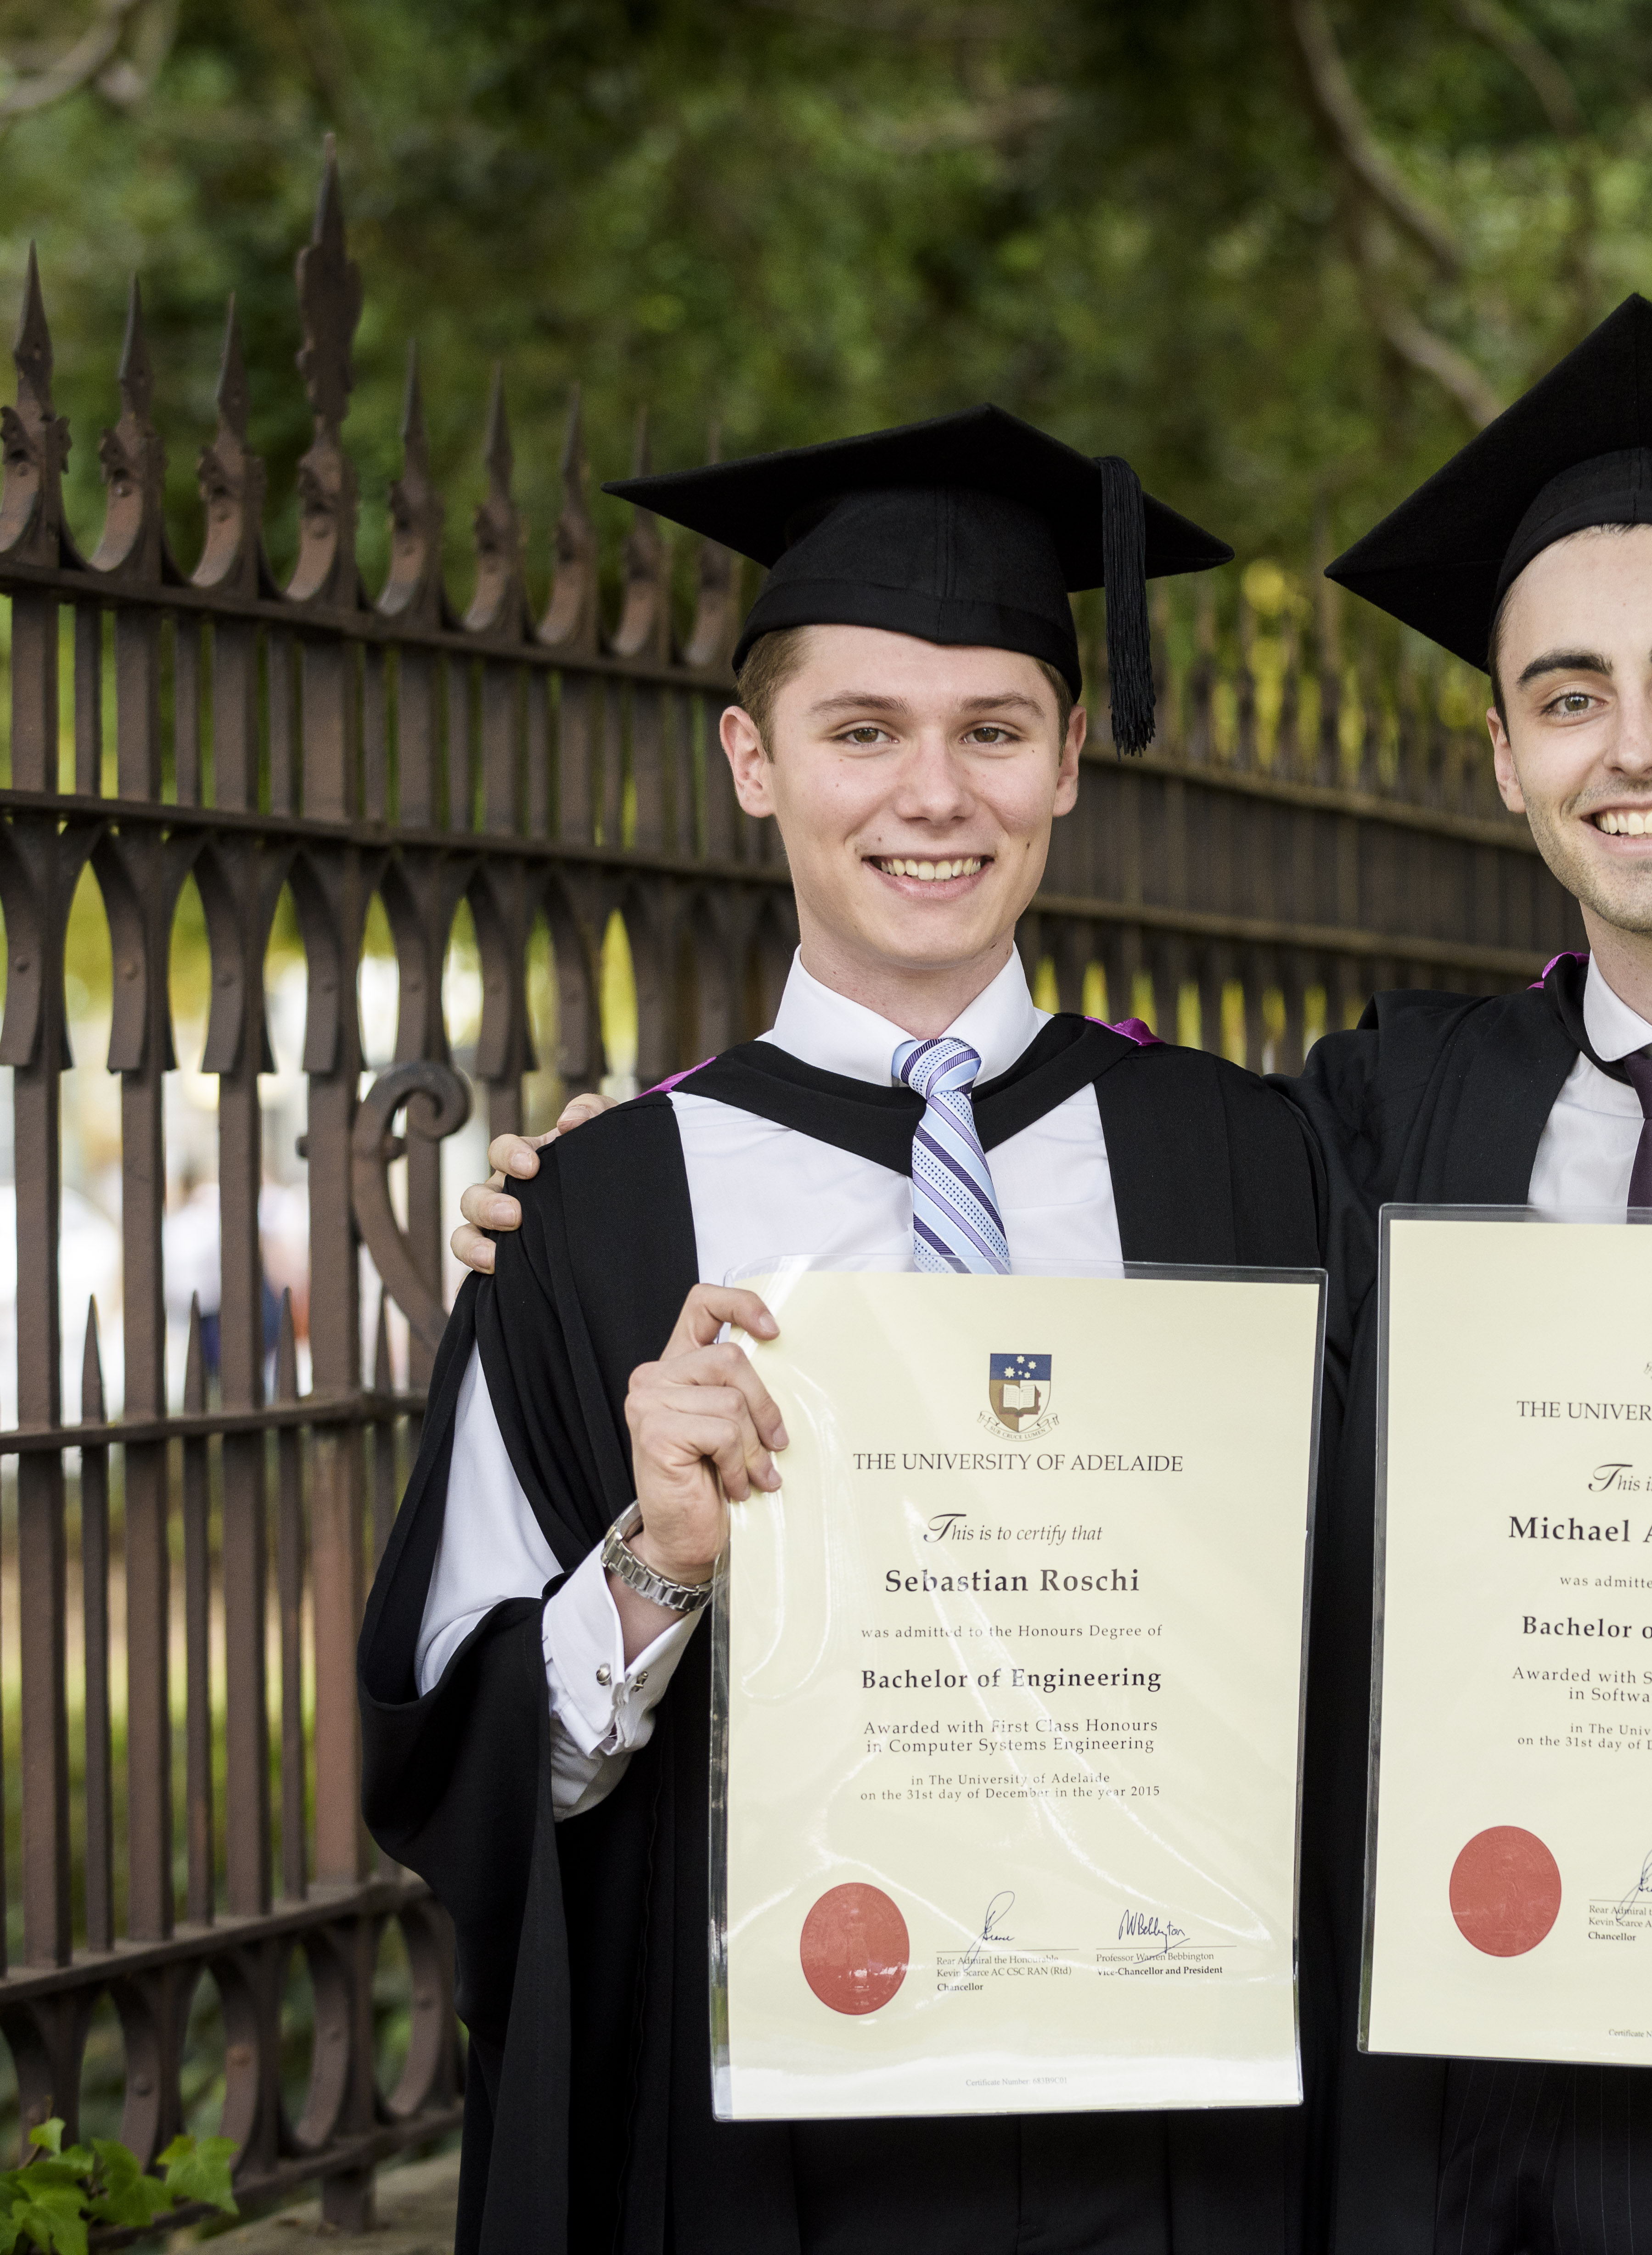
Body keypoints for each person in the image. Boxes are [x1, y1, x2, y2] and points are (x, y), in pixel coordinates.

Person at [461, 302, 1652, 2255]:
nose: (1631, 746)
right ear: (1501, 754)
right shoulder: (1384, 1127)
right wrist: (589, 1202)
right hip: (1465, 2133)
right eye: (1566, 695)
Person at [361, 409, 1326, 2255]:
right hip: (755, 2137)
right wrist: (655, 1563)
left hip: (1175, 2122)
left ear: (1067, 763)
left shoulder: (1243, 1162)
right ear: (753, 758)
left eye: (994, 731)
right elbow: (467, 1776)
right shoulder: (600, 1216)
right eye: (862, 731)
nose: (931, 795)